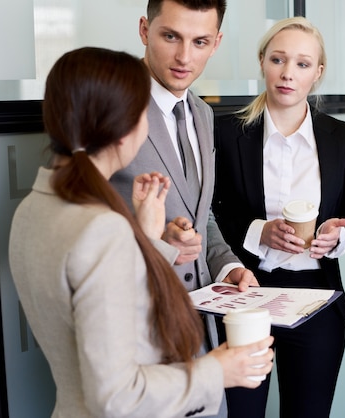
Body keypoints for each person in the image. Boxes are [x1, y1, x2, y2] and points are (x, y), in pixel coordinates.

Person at [8, 47, 273, 418]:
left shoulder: (33, 208)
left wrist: (153, 243)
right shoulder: (102, 228)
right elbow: (117, 395)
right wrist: (218, 370)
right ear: (124, 128)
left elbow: (101, 308)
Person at [213, 16, 345, 418]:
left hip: (315, 296)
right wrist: (258, 232)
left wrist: (338, 237)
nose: (287, 73)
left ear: (317, 73)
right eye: (278, 59)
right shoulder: (225, 134)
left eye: (301, 64)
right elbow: (211, 213)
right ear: (262, 62)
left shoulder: (340, 135)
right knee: (242, 413)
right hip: (246, 293)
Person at [109, 3, 258, 415]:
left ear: (217, 44)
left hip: (202, 337)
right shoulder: (107, 106)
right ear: (144, 29)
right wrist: (154, 236)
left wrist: (227, 265)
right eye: (170, 36)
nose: (184, 57)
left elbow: (201, 214)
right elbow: (79, 220)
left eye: (200, 42)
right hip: (135, 336)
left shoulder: (204, 114)